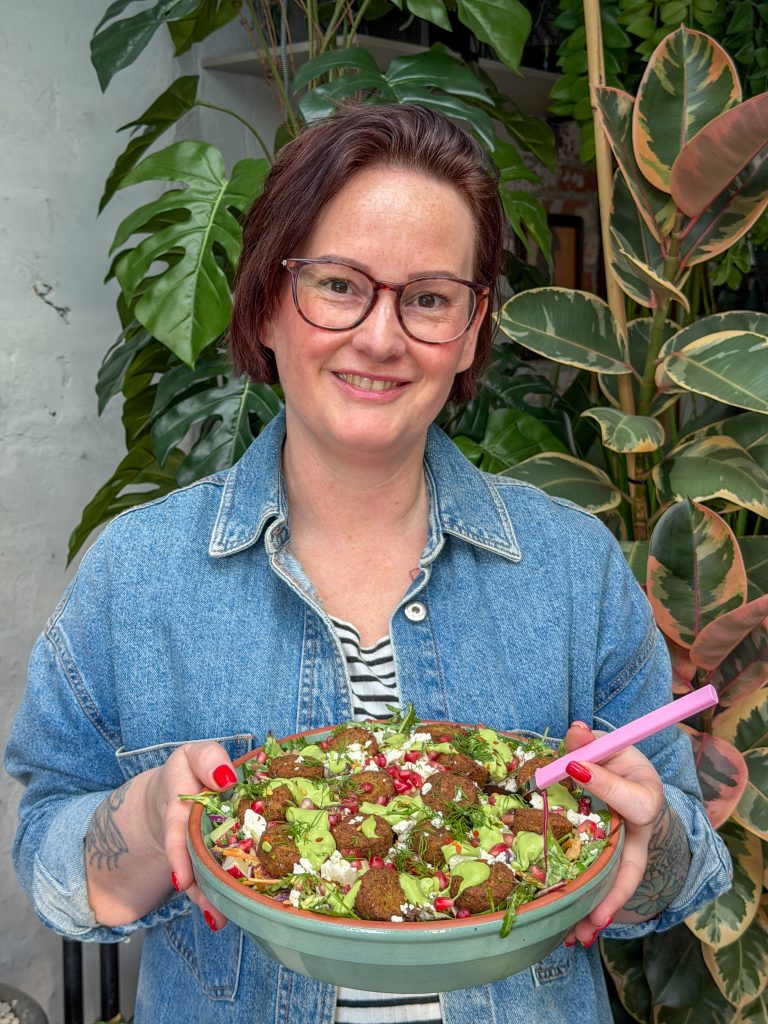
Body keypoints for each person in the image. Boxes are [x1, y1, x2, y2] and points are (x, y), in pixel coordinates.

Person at [6, 103, 730, 1024]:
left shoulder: (572, 570)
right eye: (341, 285)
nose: (382, 337)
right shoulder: (137, 575)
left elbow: (686, 865)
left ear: (470, 334)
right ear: (268, 303)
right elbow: (51, 865)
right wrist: (144, 821)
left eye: (429, 298)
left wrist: (653, 839)